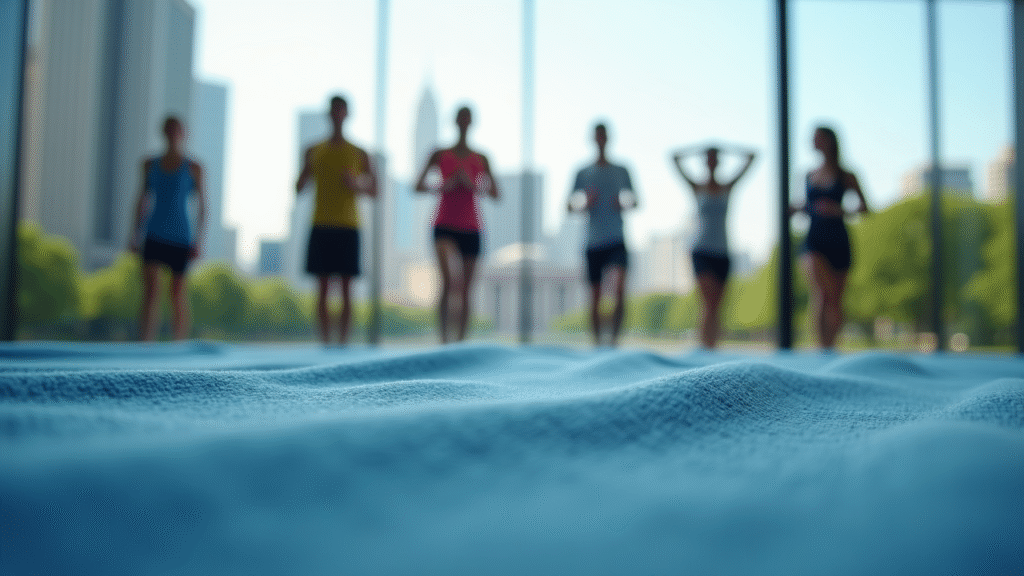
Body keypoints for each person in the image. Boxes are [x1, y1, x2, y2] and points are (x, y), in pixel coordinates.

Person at [296, 95, 378, 345]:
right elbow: (299, 187)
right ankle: (324, 344)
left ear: (347, 114)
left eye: (341, 110)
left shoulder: (359, 153)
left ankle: (342, 344)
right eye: (333, 110)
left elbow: (375, 190)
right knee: (321, 290)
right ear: (328, 114)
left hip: (348, 226)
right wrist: (305, 172)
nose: (337, 115)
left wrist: (355, 185)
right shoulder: (313, 150)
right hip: (321, 225)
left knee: (346, 290)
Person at [414, 106, 500, 344]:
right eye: (460, 118)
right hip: (444, 224)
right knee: (450, 281)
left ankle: (460, 342)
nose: (464, 122)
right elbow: (417, 185)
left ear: (471, 123)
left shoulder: (481, 158)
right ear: (455, 121)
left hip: (472, 227)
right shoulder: (440, 155)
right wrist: (444, 186)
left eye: (467, 118)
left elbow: (495, 192)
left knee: (465, 289)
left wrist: (472, 186)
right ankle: (443, 340)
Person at [791, 126, 869, 350]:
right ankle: (820, 347)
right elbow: (804, 206)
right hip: (814, 239)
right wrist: (799, 209)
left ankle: (830, 347)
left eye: (818, 138)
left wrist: (839, 210)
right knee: (821, 293)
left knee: (835, 298)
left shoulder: (846, 176)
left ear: (829, 142)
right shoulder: (807, 175)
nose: (814, 142)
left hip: (838, 239)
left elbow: (865, 208)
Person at [671, 143, 756, 349]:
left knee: (717, 306)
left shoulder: (728, 187)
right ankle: (705, 348)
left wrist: (726, 149)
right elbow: (674, 158)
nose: (711, 161)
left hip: (723, 252)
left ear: (718, 162)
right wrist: (698, 150)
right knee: (708, 303)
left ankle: (712, 347)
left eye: (714, 157)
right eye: (708, 158)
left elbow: (752, 157)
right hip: (701, 251)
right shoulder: (697, 188)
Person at [130, 116, 206, 341]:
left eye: (177, 130)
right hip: (153, 233)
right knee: (151, 291)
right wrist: (134, 234)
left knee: (177, 292)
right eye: (169, 130)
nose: (173, 134)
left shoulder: (194, 167)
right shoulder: (149, 164)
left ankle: (179, 344)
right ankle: (145, 343)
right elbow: (141, 200)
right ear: (163, 132)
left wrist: (199, 241)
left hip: (181, 237)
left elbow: (202, 206)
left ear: (183, 133)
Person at [568, 122, 638, 347]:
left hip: (617, 239)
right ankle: (597, 344)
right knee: (595, 296)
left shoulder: (622, 170)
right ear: (593, 139)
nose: (601, 139)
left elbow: (636, 201)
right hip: (593, 241)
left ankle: (614, 342)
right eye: (597, 136)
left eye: (604, 136)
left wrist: (623, 204)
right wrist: (584, 204)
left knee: (619, 288)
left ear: (608, 139)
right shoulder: (582, 172)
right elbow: (568, 207)